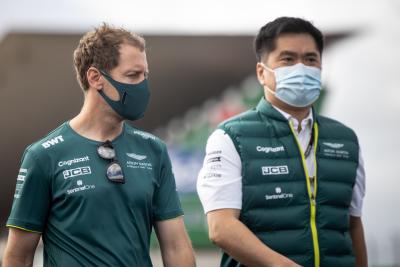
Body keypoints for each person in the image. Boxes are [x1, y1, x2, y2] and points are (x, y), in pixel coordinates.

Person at [2, 24, 195, 267]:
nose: (143, 85)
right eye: (133, 75)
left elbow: (176, 247)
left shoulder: (153, 150)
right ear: (95, 78)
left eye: (145, 75)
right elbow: (18, 256)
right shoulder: (43, 156)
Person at [197, 17, 367, 267]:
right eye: (287, 59)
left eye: (310, 59)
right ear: (261, 73)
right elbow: (221, 227)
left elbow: (352, 225)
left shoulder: (346, 140)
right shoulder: (230, 137)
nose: (301, 67)